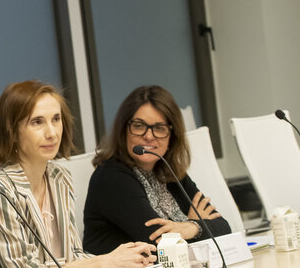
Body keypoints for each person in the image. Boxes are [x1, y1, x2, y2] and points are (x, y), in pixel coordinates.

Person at [0, 81, 155, 268]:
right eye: (37, 122)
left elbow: (73, 254)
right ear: (12, 130)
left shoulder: (60, 178)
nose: (51, 133)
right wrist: (105, 263)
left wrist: (125, 258)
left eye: (56, 119)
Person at [83, 85, 231, 255]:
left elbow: (224, 229)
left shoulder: (168, 171)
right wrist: (196, 225)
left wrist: (190, 227)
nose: (149, 136)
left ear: (172, 136)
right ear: (124, 130)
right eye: (139, 126)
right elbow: (160, 244)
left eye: (159, 128)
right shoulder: (111, 177)